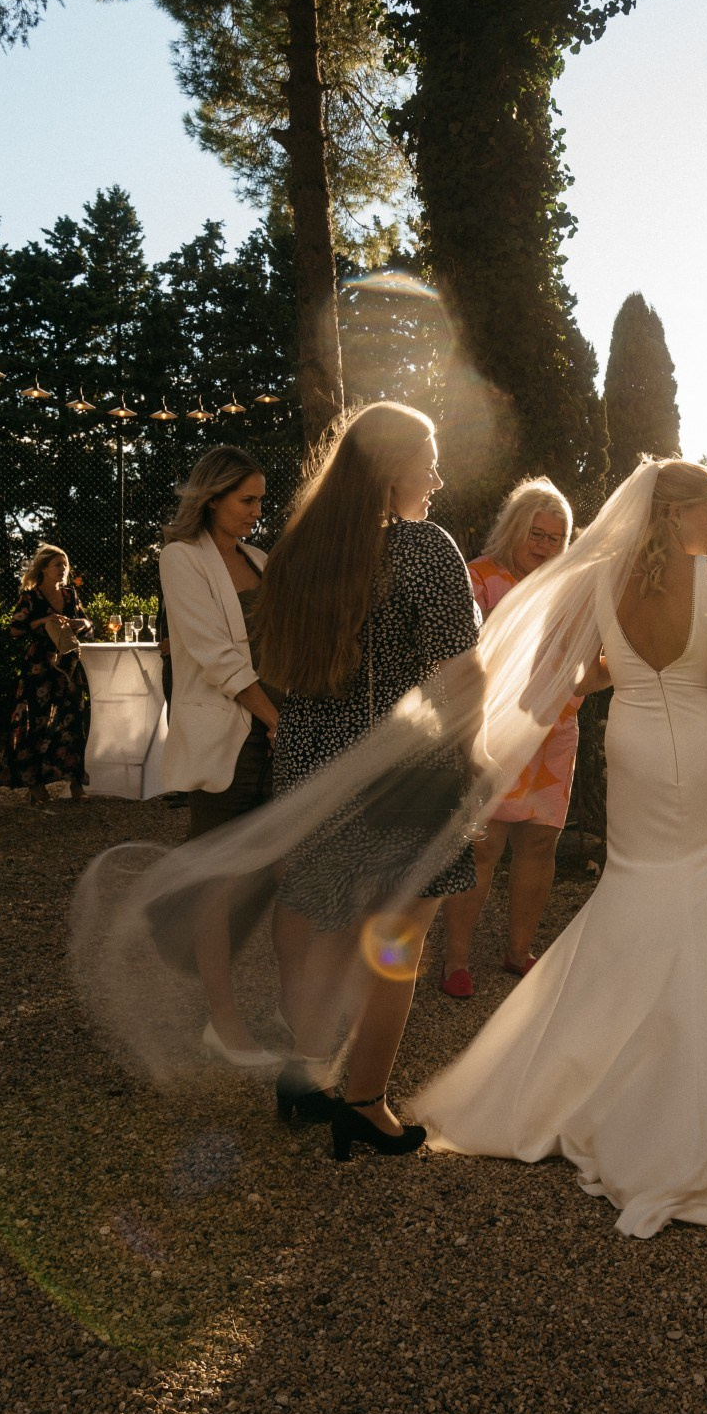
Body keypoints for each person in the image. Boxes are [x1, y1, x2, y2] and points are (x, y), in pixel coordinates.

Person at [413, 458, 707, 1238]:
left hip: (635, 751)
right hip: (701, 744)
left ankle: (590, 1058)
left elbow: (596, 671)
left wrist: (568, 686)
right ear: (680, 512)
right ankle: (694, 1071)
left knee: (635, 887)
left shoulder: (603, 578)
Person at [257, 402, 481, 1160]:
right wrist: (471, 756)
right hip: (401, 773)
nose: (438, 477)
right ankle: (367, 1103)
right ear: (391, 471)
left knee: (326, 928)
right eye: (428, 459)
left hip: (312, 766)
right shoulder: (423, 547)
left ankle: (304, 1076)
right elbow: (462, 674)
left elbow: (279, 670)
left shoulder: (298, 552)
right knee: (396, 942)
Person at [157, 446, 281, 1070]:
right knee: (218, 877)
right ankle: (222, 1021)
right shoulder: (181, 560)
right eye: (247, 500)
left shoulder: (260, 559)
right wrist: (274, 717)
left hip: (279, 732)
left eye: (261, 499)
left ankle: (282, 1008)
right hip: (232, 739)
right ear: (211, 499)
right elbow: (215, 655)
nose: (258, 511)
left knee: (276, 872)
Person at [439, 478, 579, 997]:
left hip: (554, 728)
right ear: (514, 530)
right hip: (492, 729)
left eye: (555, 537)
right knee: (483, 845)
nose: (544, 546)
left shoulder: (568, 586)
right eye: (535, 534)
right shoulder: (476, 577)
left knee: (541, 841)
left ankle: (518, 951)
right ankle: (455, 959)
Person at [0, 545, 92, 805]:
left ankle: (75, 783)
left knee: (73, 720)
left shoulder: (71, 595)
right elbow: (15, 630)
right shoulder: (30, 597)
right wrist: (42, 621)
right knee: (36, 723)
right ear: (44, 570)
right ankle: (35, 785)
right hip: (39, 667)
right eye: (57, 565)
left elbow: (88, 624)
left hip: (69, 665)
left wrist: (79, 624)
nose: (63, 570)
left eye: (65, 565)